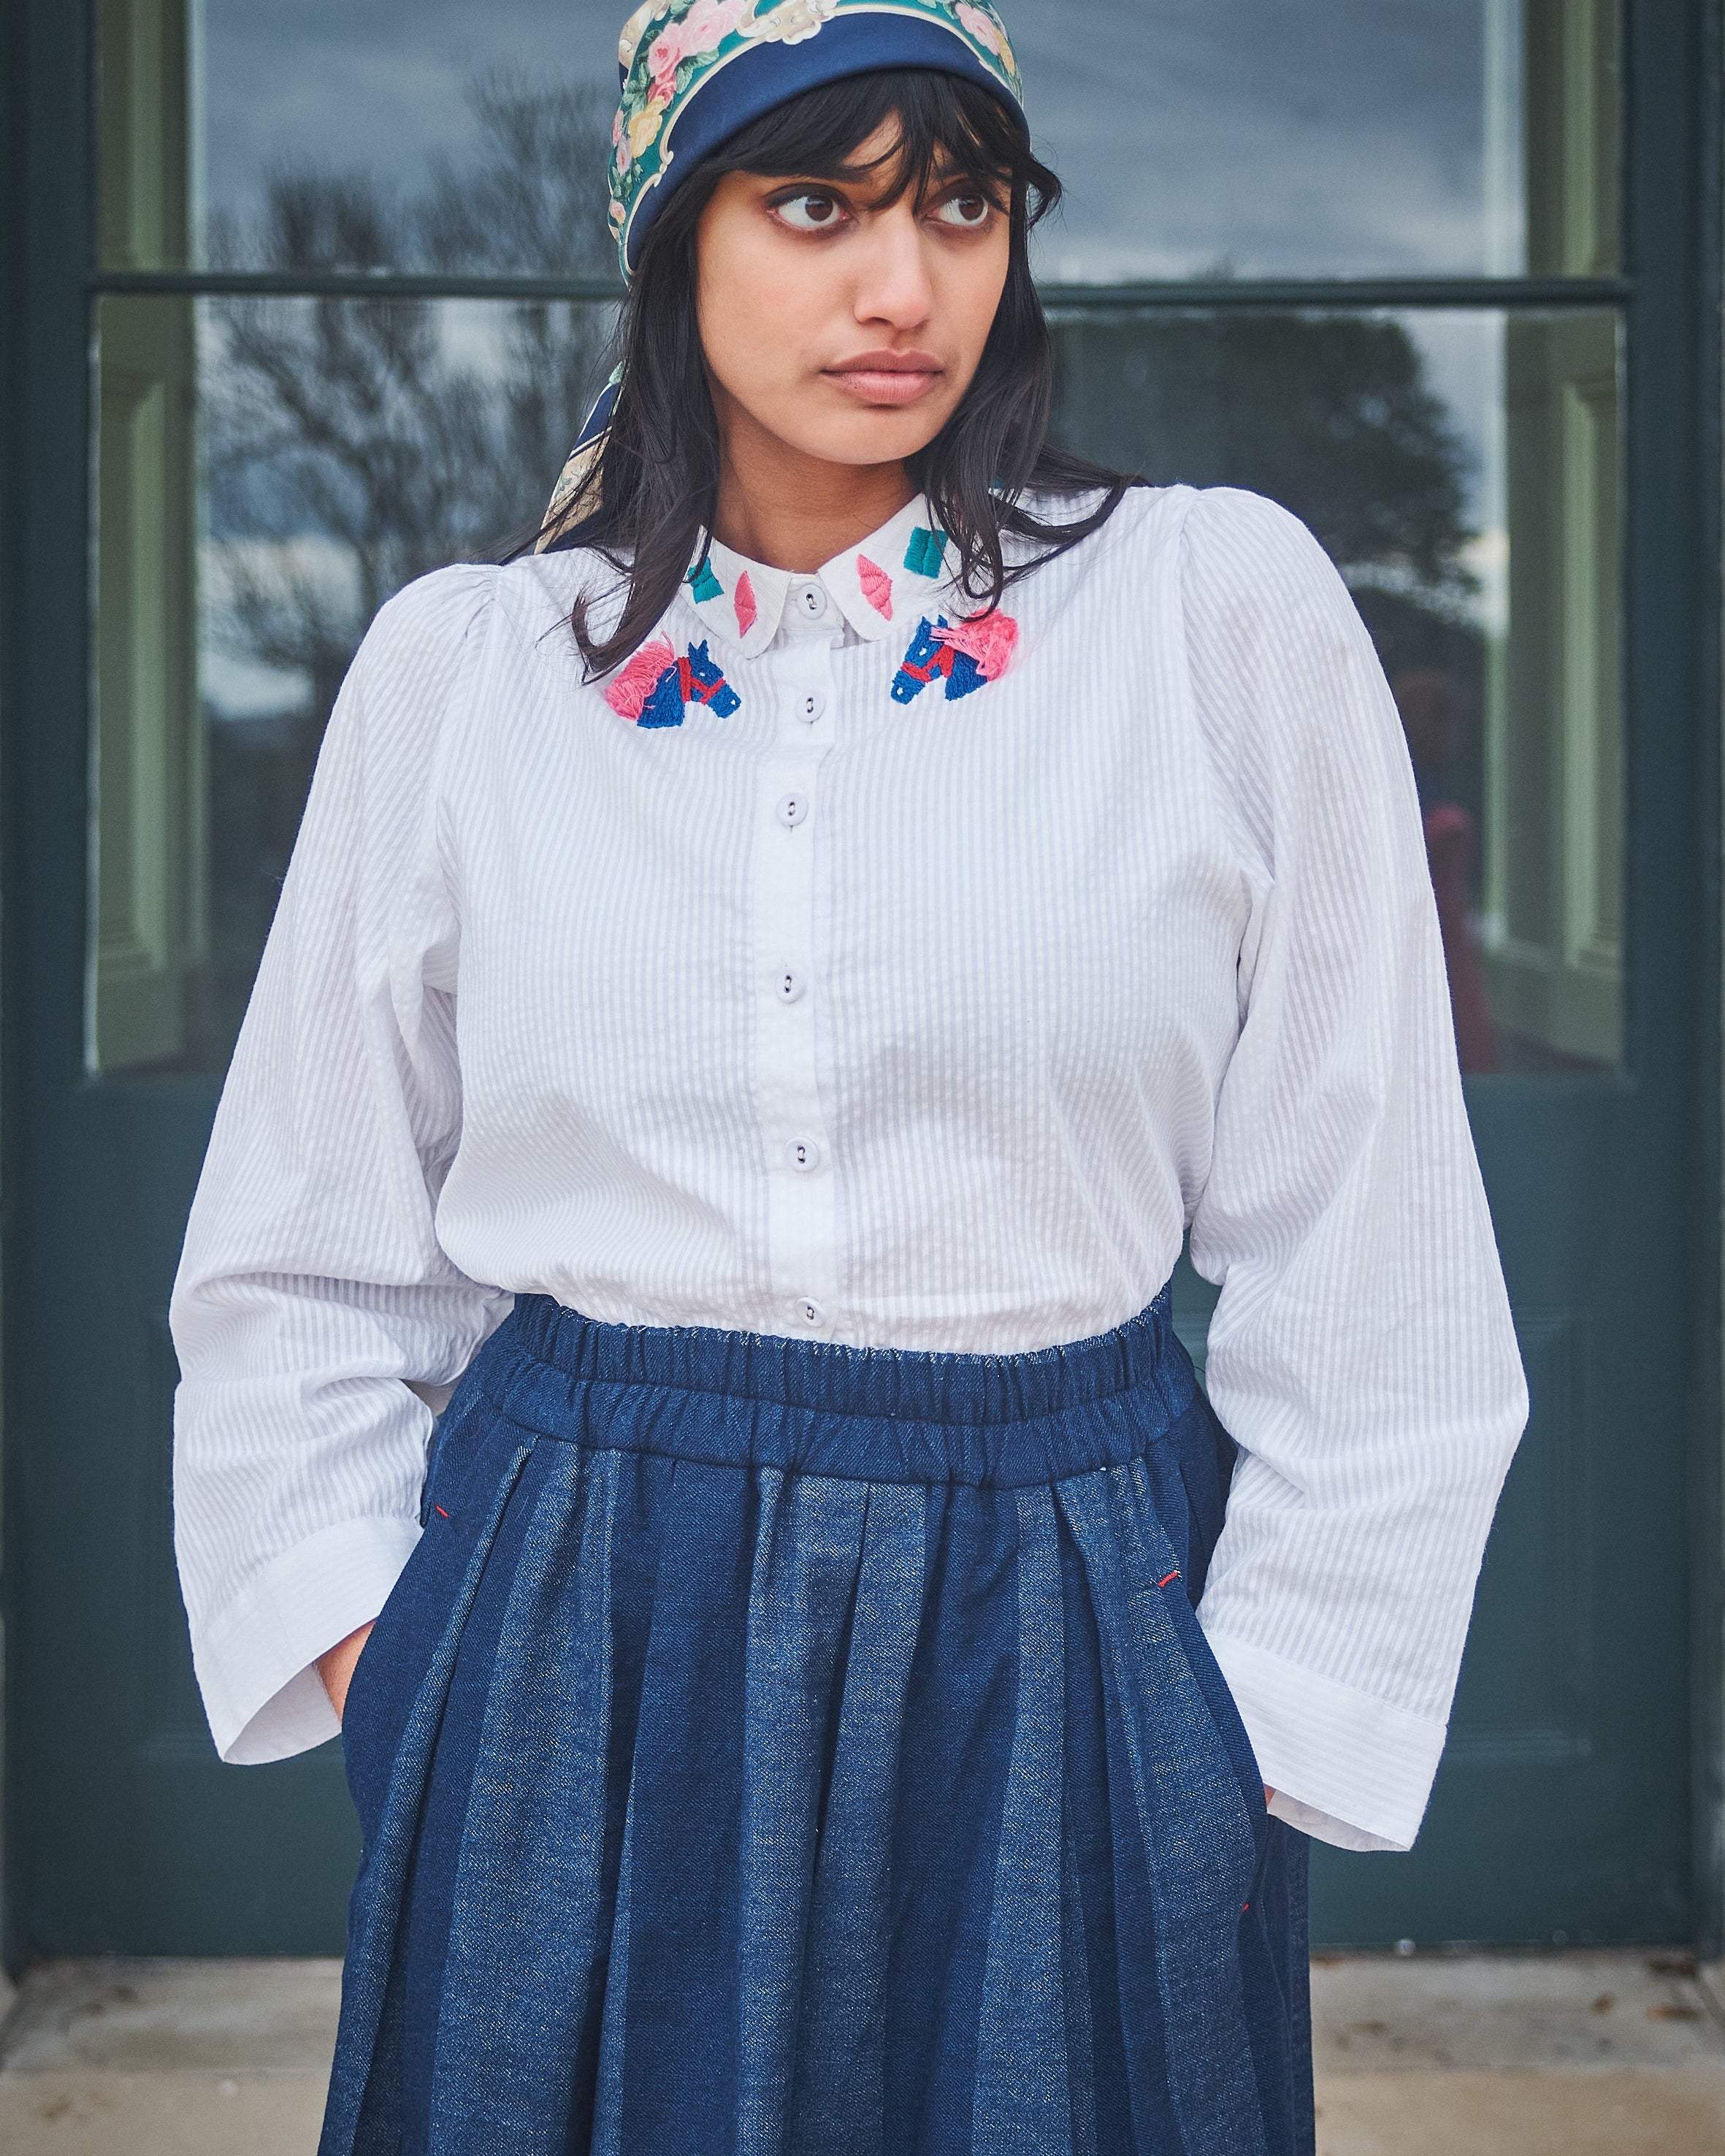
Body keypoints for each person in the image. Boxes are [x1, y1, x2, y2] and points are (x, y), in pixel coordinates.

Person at [169, 4, 1529, 2150]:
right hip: (571, 1630)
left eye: (959, 208)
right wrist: (390, 1660)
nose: (902, 291)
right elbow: (305, 1250)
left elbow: (1372, 1247)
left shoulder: (1205, 614)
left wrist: (1235, 1741)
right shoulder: (469, 674)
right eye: (813, 207)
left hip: (1067, 1629)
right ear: (666, 237)